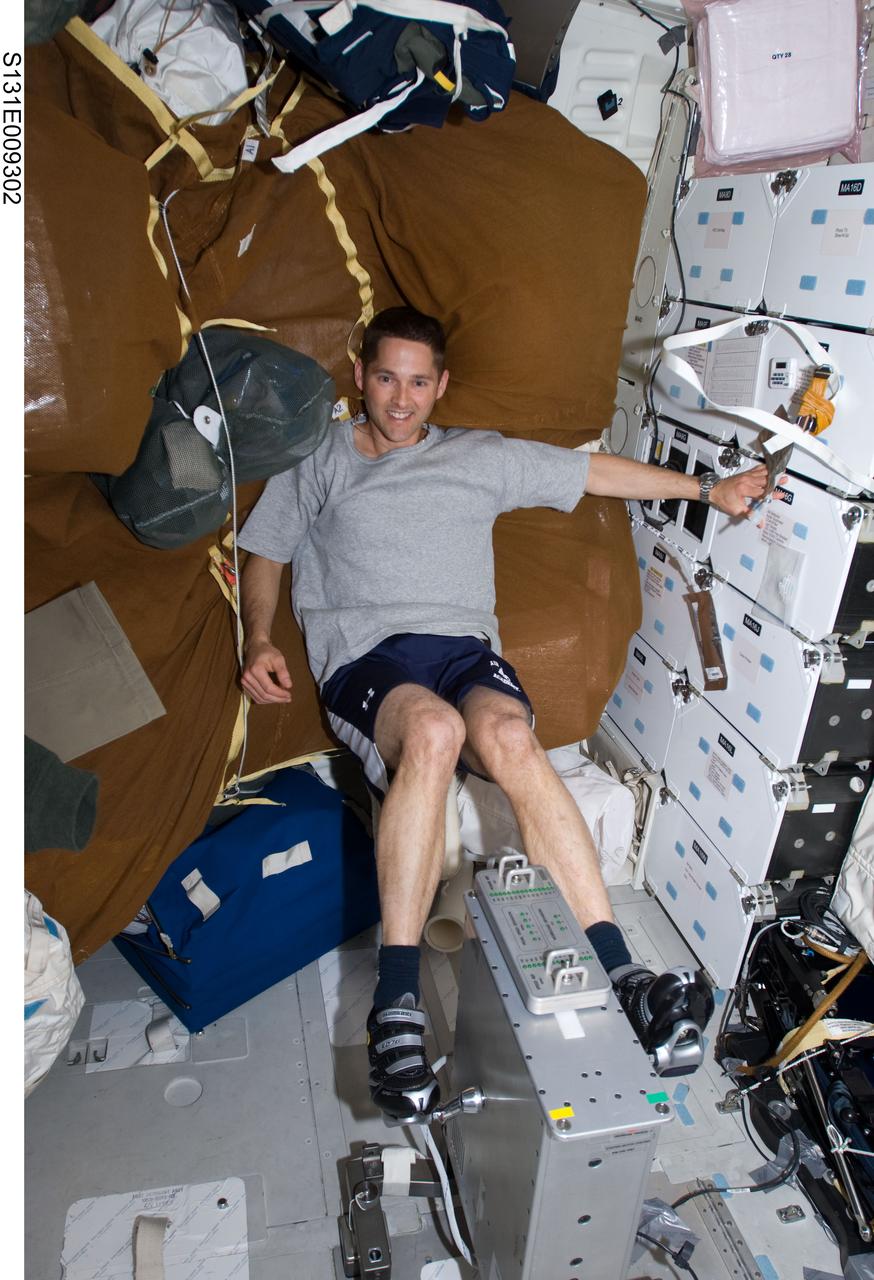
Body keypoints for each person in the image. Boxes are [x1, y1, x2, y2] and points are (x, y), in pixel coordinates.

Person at [237, 306, 768, 1121]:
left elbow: (594, 473)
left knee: (514, 740)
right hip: (368, 655)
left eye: (419, 382)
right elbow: (265, 549)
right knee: (434, 733)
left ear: (441, 385)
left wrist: (709, 490)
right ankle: (398, 1004)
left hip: (462, 651)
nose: (402, 398)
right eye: (387, 378)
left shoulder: (478, 457)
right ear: (361, 376)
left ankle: (623, 972)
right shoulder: (321, 457)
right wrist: (259, 638)